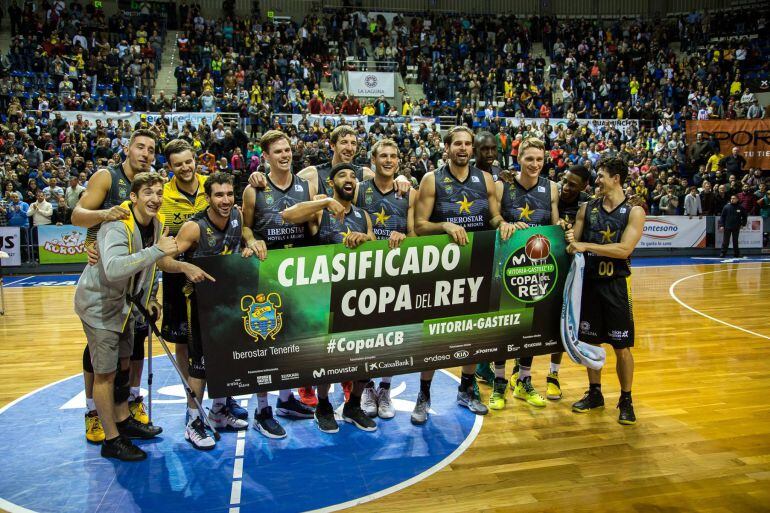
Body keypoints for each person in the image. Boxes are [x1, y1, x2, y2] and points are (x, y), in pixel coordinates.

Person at [412, 126, 513, 424]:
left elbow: (493, 215)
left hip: (478, 264)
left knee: (473, 331)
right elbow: (419, 225)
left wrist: (503, 223)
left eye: (468, 144)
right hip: (442, 267)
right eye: (458, 143)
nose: (464, 148)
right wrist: (443, 226)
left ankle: (467, 388)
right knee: (434, 335)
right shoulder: (432, 179)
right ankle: (424, 393)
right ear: (447, 147)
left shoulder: (485, 179)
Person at [73, 172, 171, 460]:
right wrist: (156, 250)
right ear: (133, 197)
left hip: (126, 306)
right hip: (100, 306)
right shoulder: (117, 224)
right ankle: (112, 441)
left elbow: (151, 266)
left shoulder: (156, 223)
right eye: (148, 193)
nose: (155, 199)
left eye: (159, 193)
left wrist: (151, 297)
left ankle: (122, 419)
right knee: (105, 374)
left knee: (125, 362)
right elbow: (113, 269)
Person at [158, 139, 249, 424]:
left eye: (229, 194)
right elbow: (162, 260)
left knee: (228, 358)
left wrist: (251, 243)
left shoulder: (237, 214)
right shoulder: (193, 227)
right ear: (208, 198)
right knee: (199, 364)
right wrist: (185, 266)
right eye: (218, 195)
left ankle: (220, 409)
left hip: (228, 300)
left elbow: (244, 234)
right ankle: (193, 420)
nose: (225, 199)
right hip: (197, 301)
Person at [281, 162, 377, 434]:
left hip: (359, 295)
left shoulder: (363, 215)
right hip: (324, 296)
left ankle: (354, 405)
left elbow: (375, 247)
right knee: (328, 357)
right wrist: (322, 202)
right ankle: (323, 405)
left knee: (366, 352)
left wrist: (365, 239)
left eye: (353, 176)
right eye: (342, 175)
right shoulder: (320, 211)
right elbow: (287, 215)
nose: (349, 178)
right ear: (332, 183)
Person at [240, 130, 316, 437]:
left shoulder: (304, 186)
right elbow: (245, 228)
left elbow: (313, 226)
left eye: (288, 150)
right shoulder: (253, 189)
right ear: (266, 157)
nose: (285, 155)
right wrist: (253, 239)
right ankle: (262, 410)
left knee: (292, 342)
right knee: (265, 343)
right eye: (278, 152)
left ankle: (285, 400)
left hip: (296, 271)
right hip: (266, 271)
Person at [565, 157, 645, 425]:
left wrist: (586, 245)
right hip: (589, 285)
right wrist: (569, 239)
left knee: (622, 347)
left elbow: (624, 250)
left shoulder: (634, 211)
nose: (596, 181)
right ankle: (595, 393)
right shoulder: (586, 209)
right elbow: (573, 245)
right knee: (591, 342)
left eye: (600, 176)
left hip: (616, 287)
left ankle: (626, 399)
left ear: (616, 178)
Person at [490, 137, 560, 411]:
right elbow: (492, 218)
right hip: (505, 264)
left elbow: (554, 226)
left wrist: (563, 230)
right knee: (503, 326)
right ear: (519, 159)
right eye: (529, 159)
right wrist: (505, 224)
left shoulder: (551, 188)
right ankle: (498, 382)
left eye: (539, 160)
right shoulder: (502, 185)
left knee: (531, 327)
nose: (534, 164)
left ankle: (524, 380)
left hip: (538, 267)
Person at [354, 138, 415, 419]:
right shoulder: (359, 190)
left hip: (397, 271)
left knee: (393, 336)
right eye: (383, 156)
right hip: (364, 272)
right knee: (366, 336)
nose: (389, 160)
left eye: (393, 156)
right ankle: (366, 386)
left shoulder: (408, 193)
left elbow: (414, 234)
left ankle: (385, 389)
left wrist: (404, 237)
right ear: (373, 161)